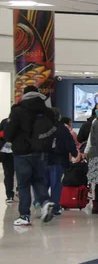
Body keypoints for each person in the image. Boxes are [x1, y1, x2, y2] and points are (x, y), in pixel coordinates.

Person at [4, 85, 56, 226]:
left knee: (23, 184)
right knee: (38, 180)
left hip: (22, 153)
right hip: (41, 152)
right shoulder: (47, 111)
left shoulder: (17, 110)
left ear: (24, 94)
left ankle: (25, 216)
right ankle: (45, 202)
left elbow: (9, 133)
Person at [45, 108, 77, 216]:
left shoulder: (42, 127)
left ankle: (43, 205)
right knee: (56, 184)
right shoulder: (61, 128)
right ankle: (55, 207)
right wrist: (75, 154)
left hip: (43, 159)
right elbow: (69, 142)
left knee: (43, 184)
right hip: (58, 160)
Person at [0, 118, 15, 203]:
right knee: (21, 175)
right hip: (19, 152)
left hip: (6, 153)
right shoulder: (23, 121)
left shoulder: (4, 122)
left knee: (8, 175)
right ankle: (18, 192)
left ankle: (10, 196)